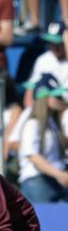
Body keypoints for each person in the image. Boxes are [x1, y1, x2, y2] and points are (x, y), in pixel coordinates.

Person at [18, 74, 68, 202]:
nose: (61, 99)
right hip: (38, 183)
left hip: (54, 181)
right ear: (44, 98)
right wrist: (60, 175)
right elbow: (33, 157)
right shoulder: (32, 124)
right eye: (56, 95)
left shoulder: (52, 122)